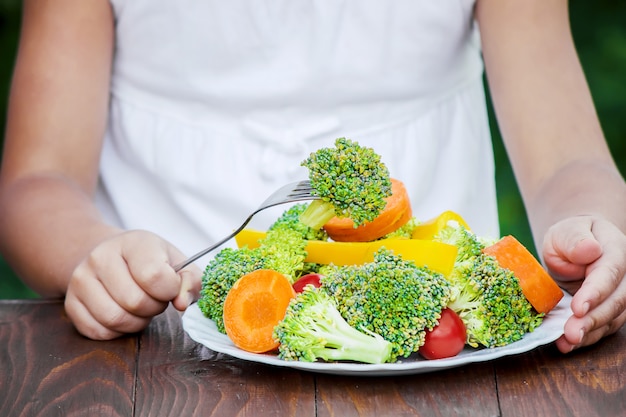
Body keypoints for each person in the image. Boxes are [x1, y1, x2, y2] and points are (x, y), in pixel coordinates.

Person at [1, 0, 625, 354]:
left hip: (439, 352)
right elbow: (36, 181)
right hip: (162, 348)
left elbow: (569, 160)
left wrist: (599, 228)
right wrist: (93, 255)